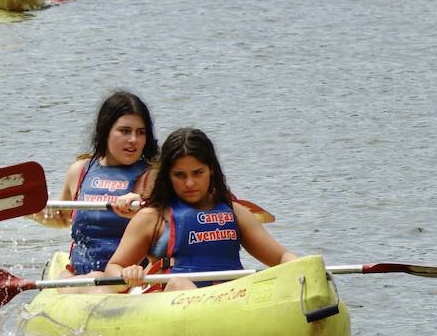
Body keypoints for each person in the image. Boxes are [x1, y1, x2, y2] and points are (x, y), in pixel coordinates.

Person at [103, 128, 297, 292]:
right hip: (171, 301)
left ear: (211, 169)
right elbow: (113, 267)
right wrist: (126, 274)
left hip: (229, 300)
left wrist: (305, 269)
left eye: (197, 173)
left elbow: (281, 257)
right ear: (167, 176)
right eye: (180, 175)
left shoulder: (235, 212)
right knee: (179, 283)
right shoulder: (151, 218)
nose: (189, 183)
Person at [38, 92, 158, 293]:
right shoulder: (80, 170)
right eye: (125, 131)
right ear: (106, 131)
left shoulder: (152, 175)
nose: (134, 140)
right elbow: (61, 218)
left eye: (141, 132)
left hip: (127, 280)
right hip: (79, 275)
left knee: (97, 279)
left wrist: (142, 206)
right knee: (86, 279)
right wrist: (27, 209)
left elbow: (168, 224)